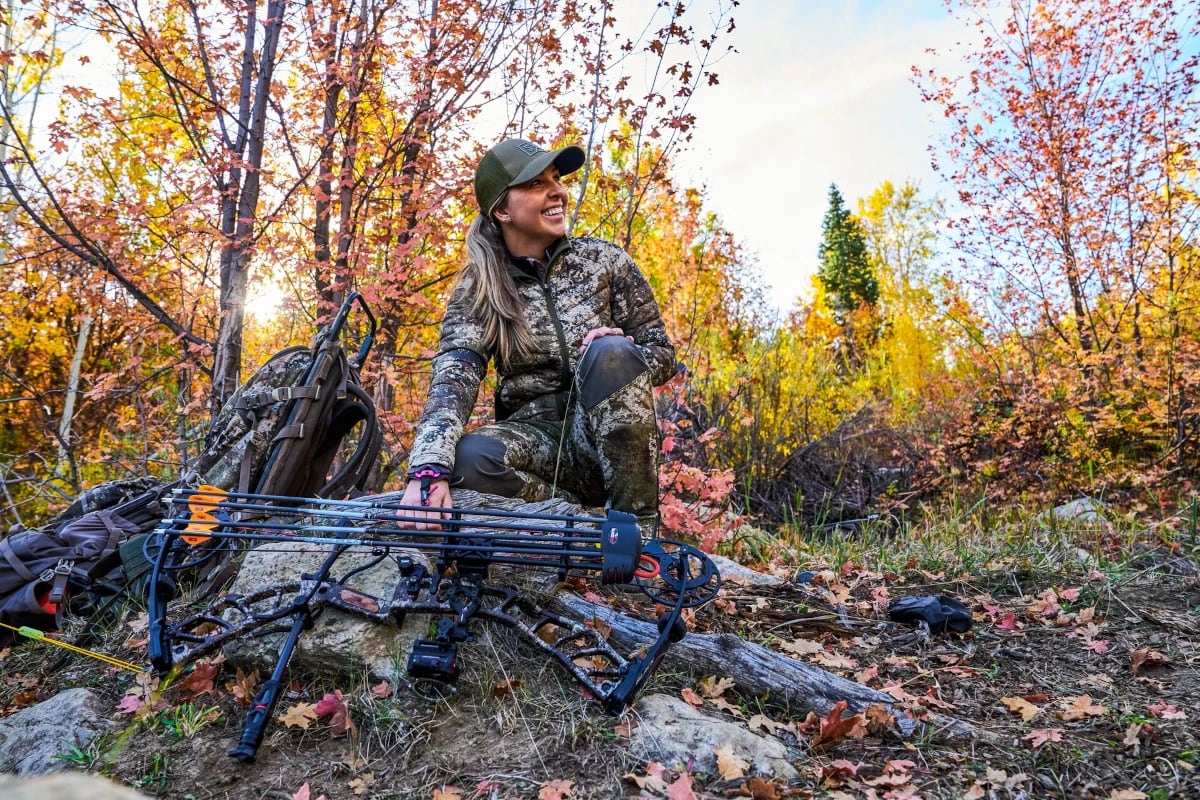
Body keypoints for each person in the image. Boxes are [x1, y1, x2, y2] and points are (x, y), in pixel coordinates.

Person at [397, 138, 676, 536]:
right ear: (502, 211)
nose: (557, 192)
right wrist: (427, 469)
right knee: (467, 460)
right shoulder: (479, 288)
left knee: (610, 350)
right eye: (534, 184)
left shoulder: (603, 261)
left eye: (556, 179)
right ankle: (579, 524)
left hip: (608, 437)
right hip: (536, 444)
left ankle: (637, 534)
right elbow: (453, 378)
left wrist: (621, 355)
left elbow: (663, 354)